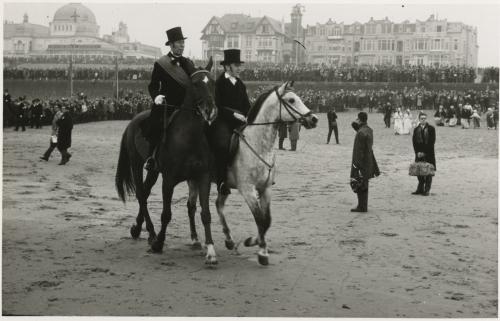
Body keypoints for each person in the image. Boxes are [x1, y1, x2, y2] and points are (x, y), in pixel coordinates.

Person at [143, 26, 196, 171]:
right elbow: (153, 85)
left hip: (187, 105)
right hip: (167, 104)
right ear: (171, 45)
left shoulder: (189, 63)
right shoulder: (161, 63)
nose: (182, 46)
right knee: (156, 126)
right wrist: (156, 96)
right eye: (179, 43)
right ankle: (151, 158)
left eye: (183, 43)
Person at [213, 49, 251, 195]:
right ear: (228, 67)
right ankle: (221, 181)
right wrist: (234, 115)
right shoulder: (219, 83)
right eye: (237, 65)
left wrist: (249, 116)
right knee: (223, 144)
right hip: (223, 121)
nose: (239, 68)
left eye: (239, 65)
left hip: (240, 120)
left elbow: (246, 105)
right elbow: (218, 106)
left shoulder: (240, 83)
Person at [350, 112, 380, 212]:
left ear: (359, 119)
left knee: (359, 183)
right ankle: (363, 205)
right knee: (365, 183)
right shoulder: (368, 130)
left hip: (360, 162)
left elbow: (359, 151)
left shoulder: (360, 133)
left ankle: (361, 206)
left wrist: (356, 165)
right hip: (368, 160)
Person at [411, 113, 436, 196]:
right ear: (419, 119)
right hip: (418, 153)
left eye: (425, 118)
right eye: (421, 118)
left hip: (429, 153)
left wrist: (424, 153)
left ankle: (427, 190)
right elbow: (414, 142)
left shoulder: (431, 129)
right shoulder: (416, 129)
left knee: (428, 172)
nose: (423, 120)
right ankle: (420, 188)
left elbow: (432, 142)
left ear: (426, 119)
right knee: (419, 171)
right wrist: (417, 152)